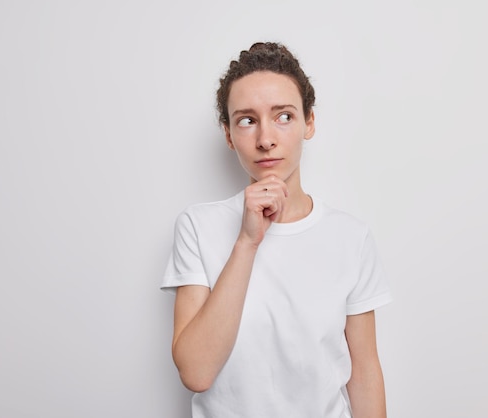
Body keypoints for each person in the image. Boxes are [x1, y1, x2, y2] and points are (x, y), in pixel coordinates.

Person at [162, 41, 392, 418]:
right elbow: (196, 371)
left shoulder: (351, 238)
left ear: (309, 122)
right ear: (228, 134)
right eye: (247, 120)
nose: (266, 139)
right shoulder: (198, 226)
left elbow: (364, 374)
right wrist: (247, 241)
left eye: (283, 116)